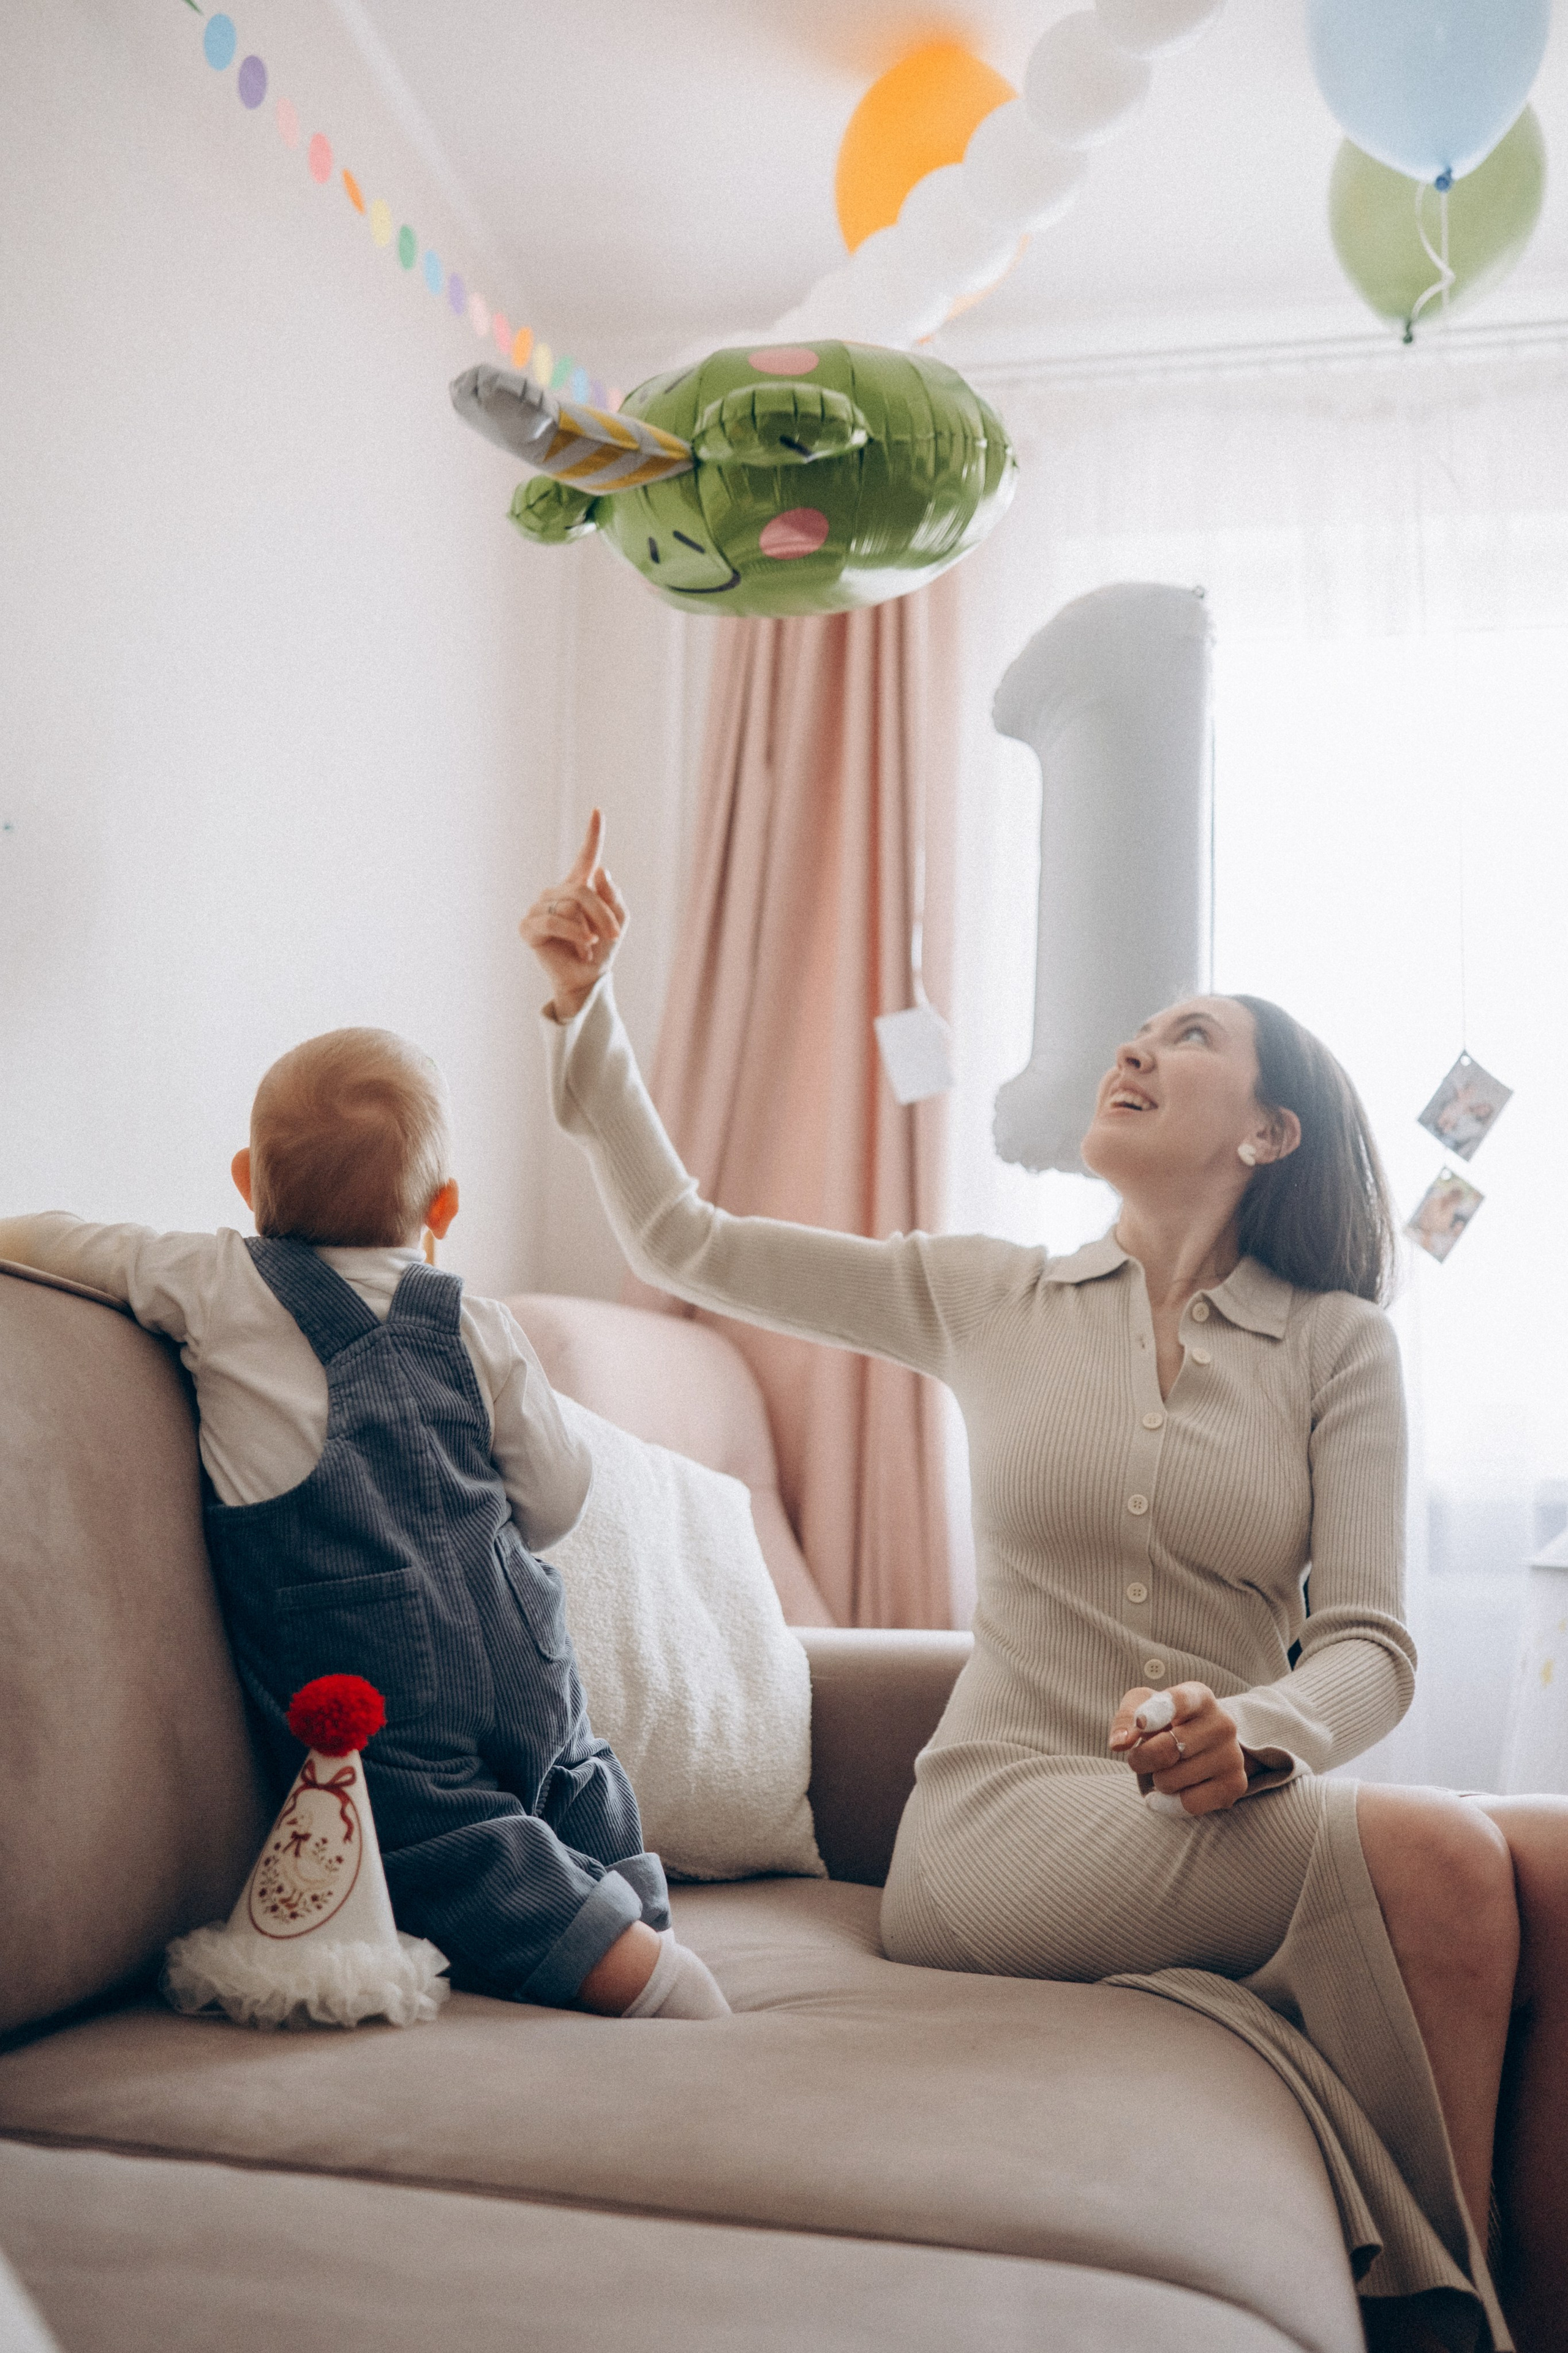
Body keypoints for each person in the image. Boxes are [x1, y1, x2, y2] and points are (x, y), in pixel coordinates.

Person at [526, 811, 1568, 2352]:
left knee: (1527, 1868)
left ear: (1267, 1132)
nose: (1133, 1052)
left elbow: (1370, 1643)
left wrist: (1258, 1731)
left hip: (1211, 1807)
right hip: (999, 1821)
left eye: (1189, 1038)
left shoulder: (1340, 1344)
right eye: (1133, 1034)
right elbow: (686, 1235)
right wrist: (583, 1007)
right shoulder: (985, 1293)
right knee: (1438, 1861)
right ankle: (1455, 2307)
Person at [0, 1025, 727, 2025]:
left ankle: (645, 1982)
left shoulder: (217, 1280)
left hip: (385, 1681)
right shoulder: (476, 1322)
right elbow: (556, 1501)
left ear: (247, 1178)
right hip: (524, 1645)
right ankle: (641, 1921)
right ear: (443, 1211)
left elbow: (47, 1239)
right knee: (571, 1768)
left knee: (438, 1837)